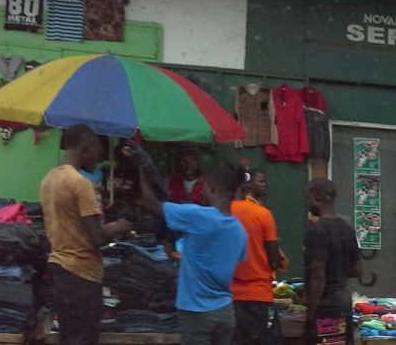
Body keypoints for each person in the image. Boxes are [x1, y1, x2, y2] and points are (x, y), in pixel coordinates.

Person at [128, 142, 247, 345]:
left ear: (212, 188)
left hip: (196, 310)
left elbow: (151, 204)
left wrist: (141, 165)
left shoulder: (198, 216)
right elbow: (220, 260)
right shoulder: (239, 230)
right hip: (225, 310)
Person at [40, 124, 133, 345]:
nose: (99, 160)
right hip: (81, 273)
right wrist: (119, 226)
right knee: (83, 338)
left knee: (69, 337)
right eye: (98, 153)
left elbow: (73, 225)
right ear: (87, 146)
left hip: (60, 268)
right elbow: (98, 237)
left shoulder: (49, 180)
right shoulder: (80, 183)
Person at [304, 178, 363, 345]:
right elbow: (357, 269)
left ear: (317, 197)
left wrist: (310, 315)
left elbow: (318, 277)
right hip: (343, 304)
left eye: (308, 198)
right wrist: (338, 264)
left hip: (326, 307)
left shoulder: (317, 231)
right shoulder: (347, 229)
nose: (308, 204)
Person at [230, 172, 284, 344]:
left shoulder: (221, 214)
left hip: (228, 296)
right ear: (246, 186)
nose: (264, 184)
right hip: (258, 296)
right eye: (260, 181)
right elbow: (274, 261)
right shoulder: (263, 214)